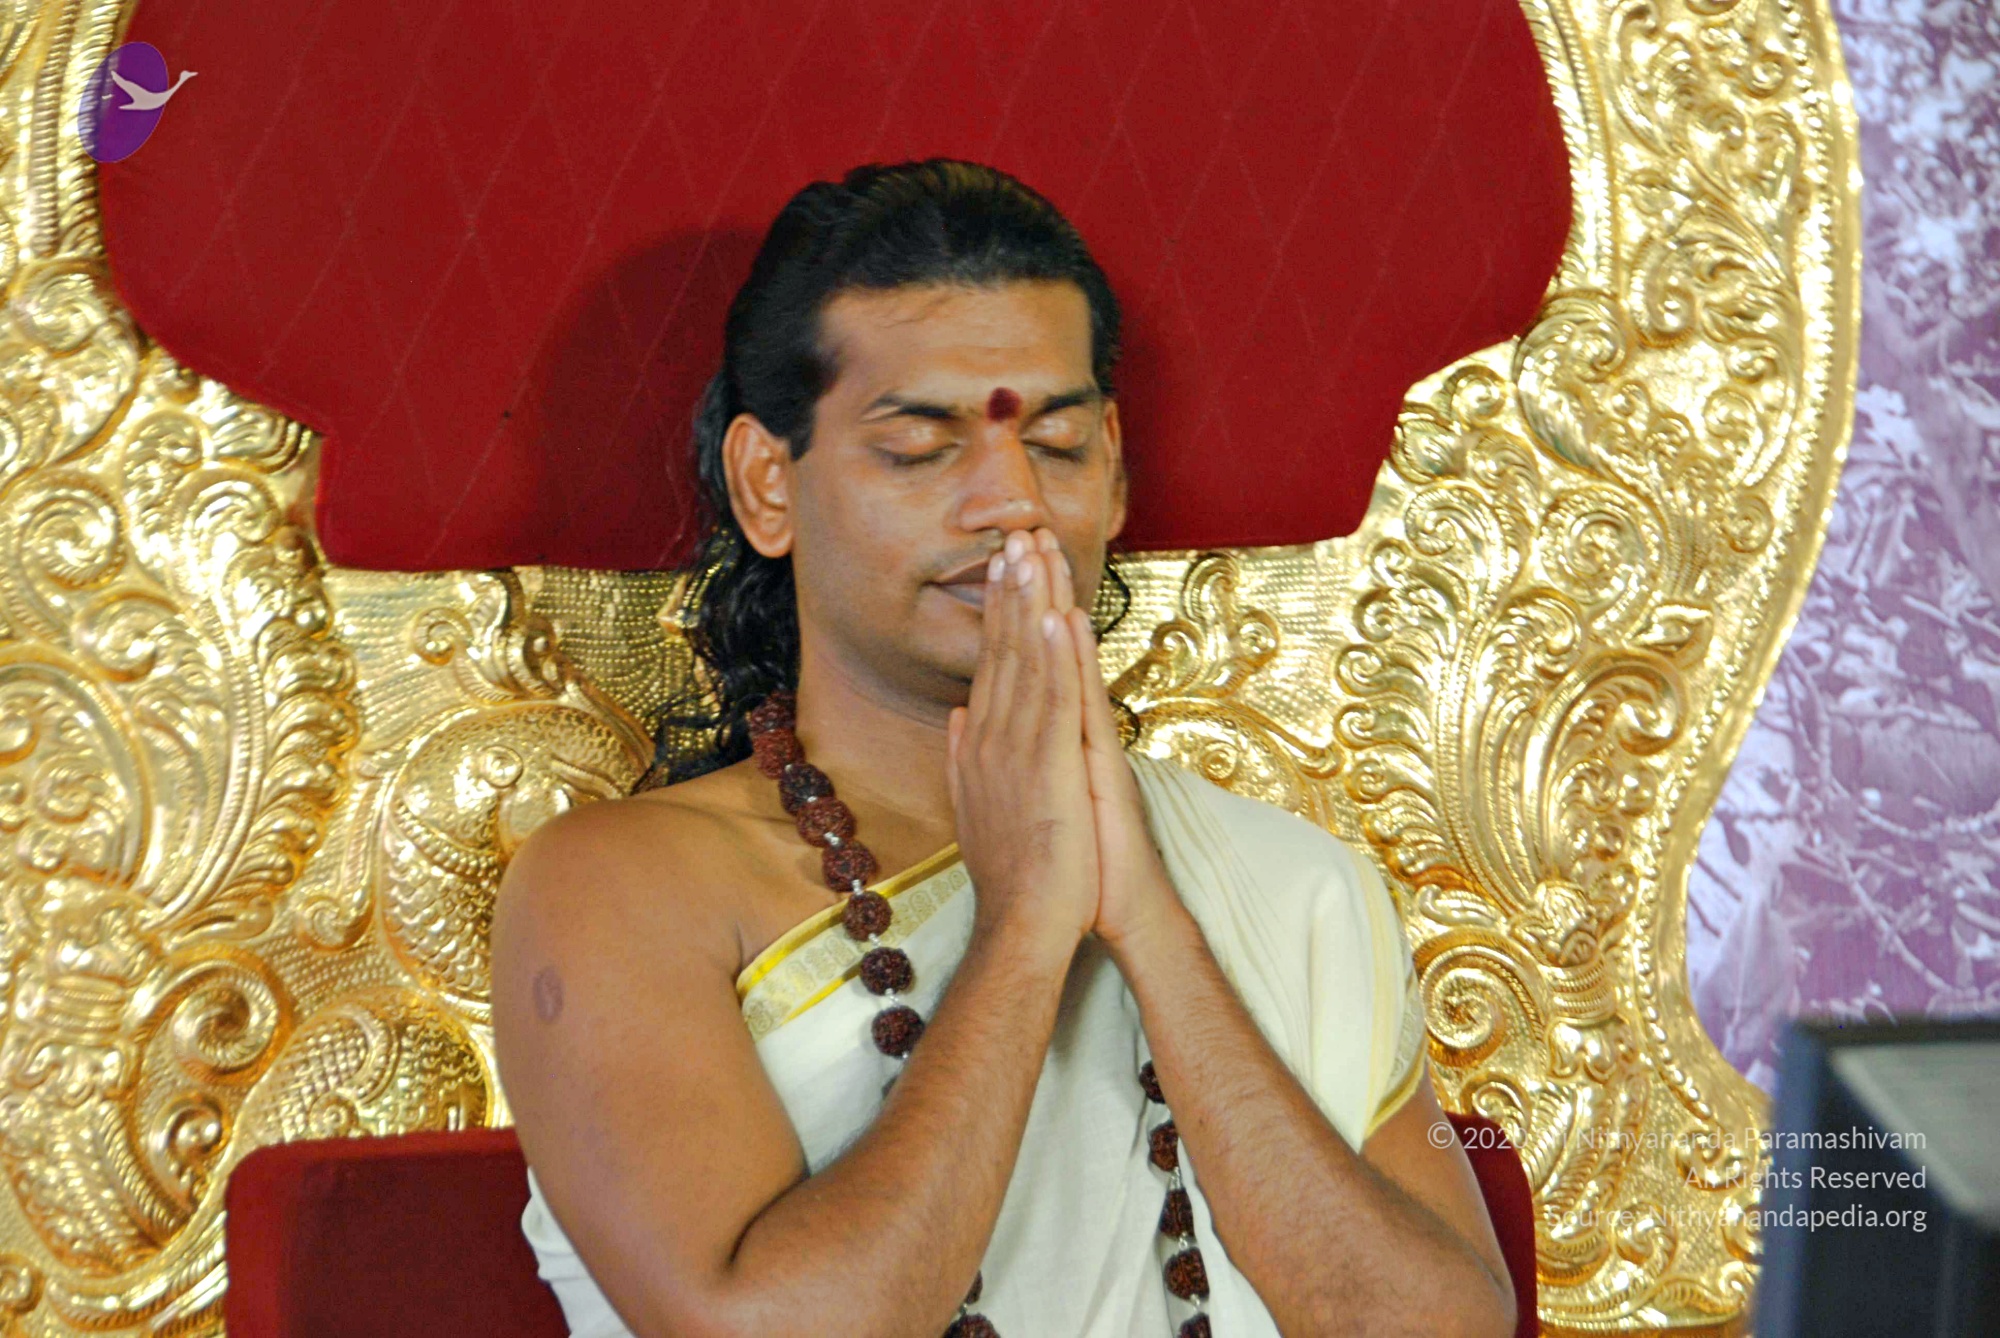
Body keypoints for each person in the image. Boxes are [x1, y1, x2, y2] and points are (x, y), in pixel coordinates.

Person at [490, 159, 1516, 1338]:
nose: (1011, 501)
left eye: (1059, 442)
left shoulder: (1290, 884)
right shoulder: (617, 893)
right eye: (920, 448)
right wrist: (1023, 926)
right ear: (766, 484)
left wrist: (1150, 925)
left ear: (1113, 469)